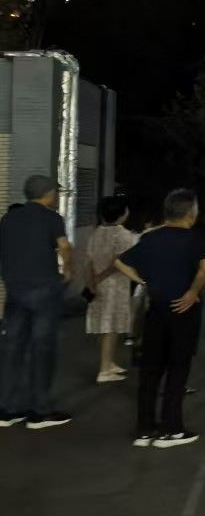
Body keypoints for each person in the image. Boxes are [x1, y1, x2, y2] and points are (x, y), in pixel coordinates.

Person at [114, 188, 205, 447]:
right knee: (177, 368)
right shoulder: (194, 238)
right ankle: (172, 429)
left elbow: (120, 262)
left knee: (150, 370)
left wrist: (143, 282)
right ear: (190, 213)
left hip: (155, 309)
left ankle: (145, 429)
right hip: (183, 310)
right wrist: (192, 292)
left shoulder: (150, 238)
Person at [0, 175, 73, 429]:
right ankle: (39, 412)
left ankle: (7, 409)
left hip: (15, 289)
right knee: (42, 349)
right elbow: (64, 247)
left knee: (12, 348)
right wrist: (68, 272)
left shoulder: (9, 218)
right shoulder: (52, 218)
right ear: (48, 194)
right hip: (44, 289)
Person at [85, 195, 138, 383]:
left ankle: (109, 362)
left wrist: (92, 282)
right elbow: (121, 262)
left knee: (105, 326)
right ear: (122, 213)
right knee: (111, 326)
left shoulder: (96, 233)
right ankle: (105, 370)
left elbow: (89, 261)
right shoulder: (123, 235)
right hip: (115, 285)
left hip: (98, 284)